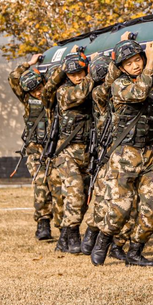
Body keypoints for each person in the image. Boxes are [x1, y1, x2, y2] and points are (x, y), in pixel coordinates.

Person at [90, 38, 153, 267]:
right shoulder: (120, 85)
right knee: (120, 210)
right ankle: (104, 240)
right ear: (121, 68)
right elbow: (138, 94)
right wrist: (150, 65)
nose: (135, 65)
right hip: (124, 155)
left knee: (150, 212)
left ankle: (135, 253)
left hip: (149, 155)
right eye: (129, 63)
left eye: (138, 60)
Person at [80, 54, 133, 261]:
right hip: (107, 154)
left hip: (123, 153)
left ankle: (116, 244)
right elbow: (109, 83)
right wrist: (117, 56)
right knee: (104, 200)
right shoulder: (100, 92)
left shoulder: (123, 89)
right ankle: (93, 232)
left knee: (124, 202)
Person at [42, 47, 94, 254]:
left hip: (88, 153)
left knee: (82, 201)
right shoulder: (64, 92)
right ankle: (73, 236)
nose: (78, 77)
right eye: (72, 74)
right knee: (74, 194)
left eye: (81, 72)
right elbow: (80, 94)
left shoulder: (93, 92)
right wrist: (90, 74)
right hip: (66, 153)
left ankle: (64, 237)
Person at [8, 54, 58, 240]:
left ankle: (65, 227)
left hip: (55, 148)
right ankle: (43, 223)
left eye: (40, 88)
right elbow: (13, 77)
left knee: (58, 186)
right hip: (35, 149)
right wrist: (28, 64)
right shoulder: (27, 100)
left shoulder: (55, 96)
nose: (38, 92)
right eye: (34, 91)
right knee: (41, 183)